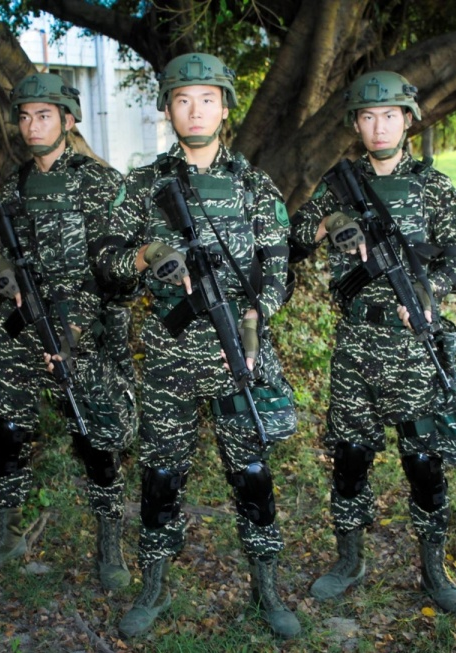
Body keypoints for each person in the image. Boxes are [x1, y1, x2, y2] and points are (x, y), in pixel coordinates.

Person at [94, 52, 300, 638]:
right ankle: (153, 587)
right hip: (168, 357)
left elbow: (277, 270)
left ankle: (268, 590)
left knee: (253, 473)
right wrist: (142, 257)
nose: (194, 110)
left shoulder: (255, 187)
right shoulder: (141, 184)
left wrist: (256, 326)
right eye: (182, 100)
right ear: (167, 109)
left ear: (225, 108)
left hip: (239, 354)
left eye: (206, 99)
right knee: (161, 474)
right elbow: (106, 261)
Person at [290, 71, 456, 615]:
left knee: (423, 459)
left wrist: (426, 286)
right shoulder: (337, 182)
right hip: (356, 344)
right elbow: (295, 237)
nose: (377, 126)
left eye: (389, 116)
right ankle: (349, 560)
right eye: (367, 117)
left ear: (408, 120)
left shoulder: (434, 187)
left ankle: (434, 570)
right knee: (349, 455)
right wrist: (329, 220)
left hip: (413, 346)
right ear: (355, 124)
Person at [0, 73, 136, 582]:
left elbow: (117, 268)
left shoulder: (100, 181)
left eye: (44, 115)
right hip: (25, 322)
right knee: (6, 424)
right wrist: (0, 271)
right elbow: (0, 245)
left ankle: (111, 545)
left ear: (68, 119)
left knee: (94, 434)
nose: (32, 125)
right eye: (24, 116)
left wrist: (77, 329)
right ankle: (8, 532)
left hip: (81, 328)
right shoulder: (16, 183)